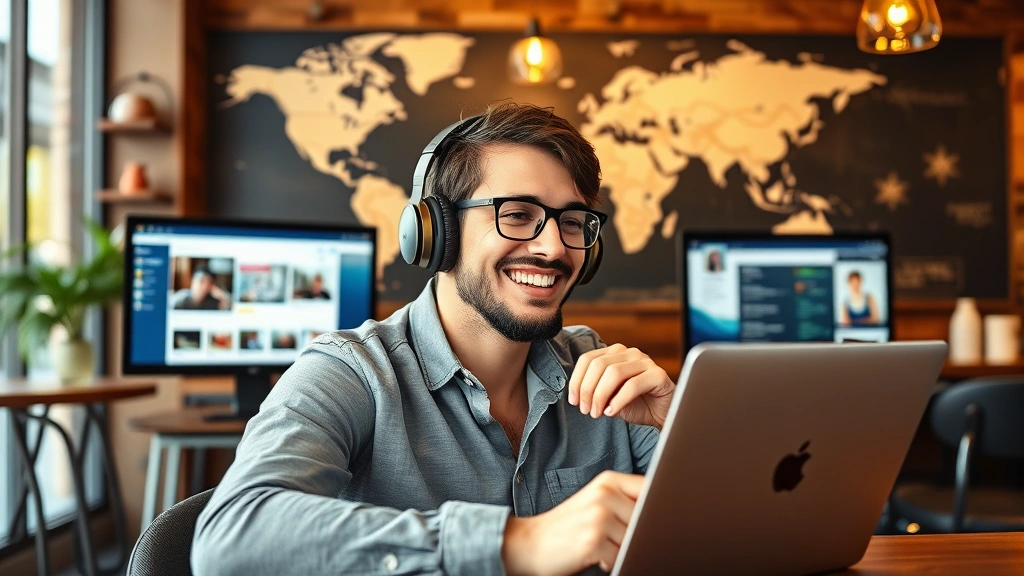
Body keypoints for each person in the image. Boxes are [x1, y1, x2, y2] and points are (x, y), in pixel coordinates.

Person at [191, 103, 676, 576]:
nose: (552, 247)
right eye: (518, 214)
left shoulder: (602, 371)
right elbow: (231, 536)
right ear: (435, 231)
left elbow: (730, 531)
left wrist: (673, 420)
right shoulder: (352, 372)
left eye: (571, 222)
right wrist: (518, 543)